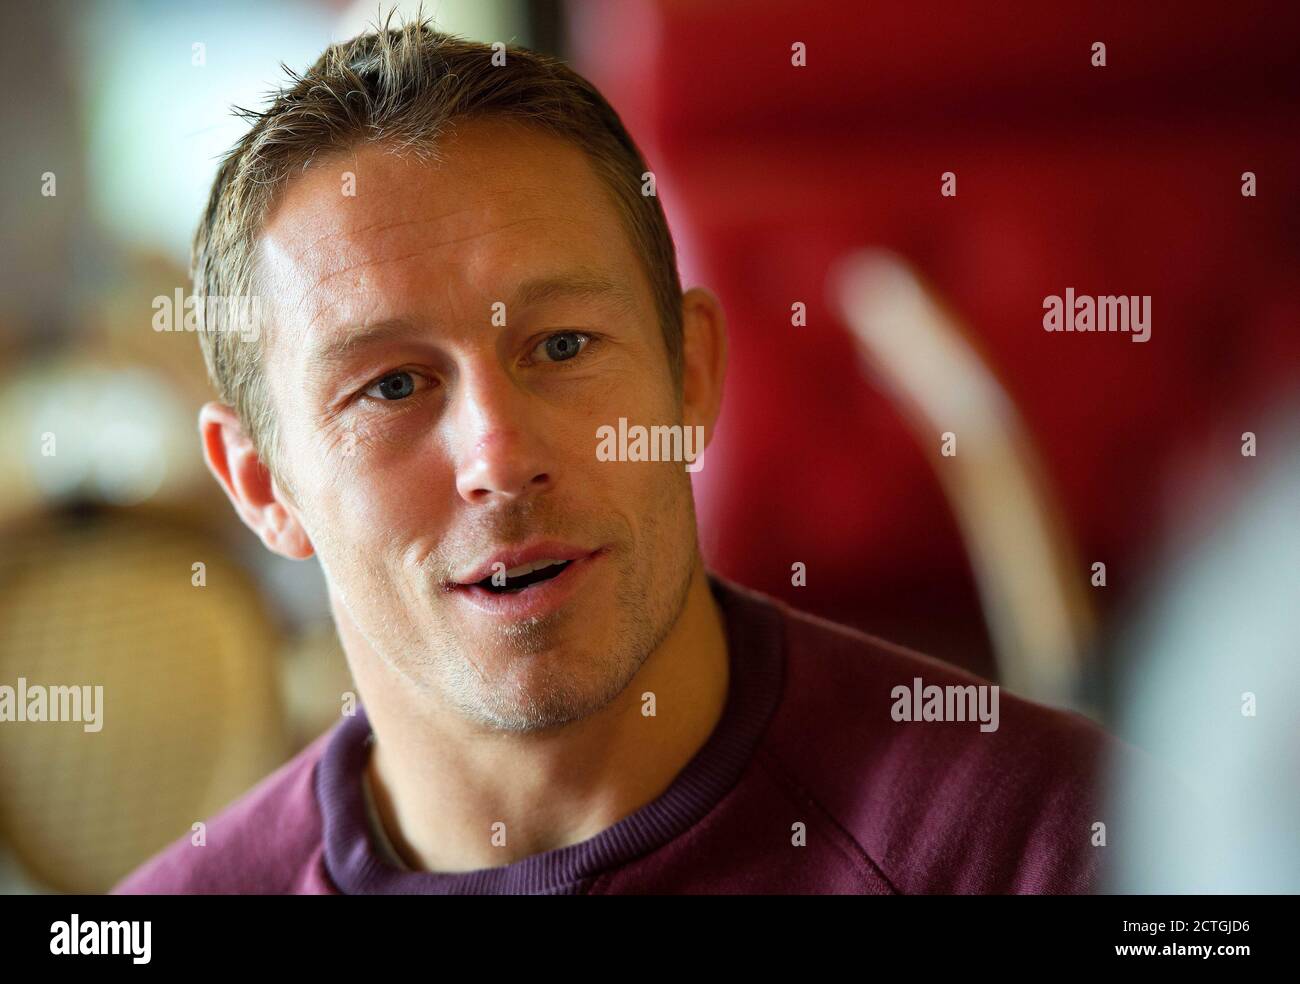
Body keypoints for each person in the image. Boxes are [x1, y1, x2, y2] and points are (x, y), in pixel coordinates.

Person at [114, 16, 1133, 895]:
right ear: (260, 482)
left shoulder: (1059, 844)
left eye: (561, 347)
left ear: (689, 375)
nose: (499, 458)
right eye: (390, 386)